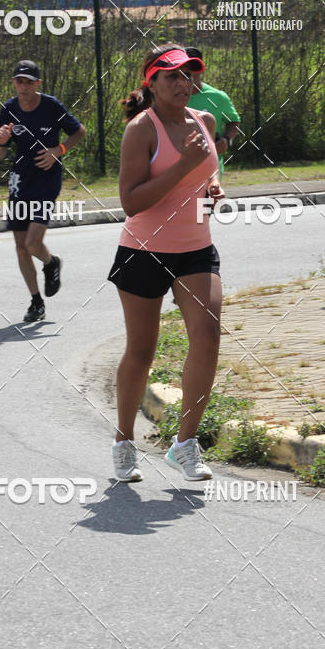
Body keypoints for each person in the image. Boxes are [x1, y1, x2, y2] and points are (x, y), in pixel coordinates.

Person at [108, 45, 224, 483]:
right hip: (143, 251)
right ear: (151, 83)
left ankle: (184, 445)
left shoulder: (204, 122)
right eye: (172, 76)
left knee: (208, 334)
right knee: (141, 351)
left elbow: (207, 168)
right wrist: (186, 167)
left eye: (190, 75)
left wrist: (209, 182)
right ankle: (123, 442)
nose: (183, 83)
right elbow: (131, 203)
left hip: (196, 247)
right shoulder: (141, 129)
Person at [0, 60, 86, 322]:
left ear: (38, 84)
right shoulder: (9, 109)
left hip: (47, 178)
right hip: (20, 181)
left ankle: (50, 262)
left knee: (33, 243)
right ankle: (36, 302)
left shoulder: (50, 106)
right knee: (21, 247)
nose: (23, 87)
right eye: (19, 81)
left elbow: (79, 131)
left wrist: (59, 150)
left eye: (29, 82)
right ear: (13, 83)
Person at [184, 46, 240, 179]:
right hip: (179, 170)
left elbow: (233, 120)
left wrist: (227, 140)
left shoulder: (218, 97)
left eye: (195, 67)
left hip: (211, 171)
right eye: (186, 68)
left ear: (202, 69)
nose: (191, 73)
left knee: (208, 200)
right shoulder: (168, 98)